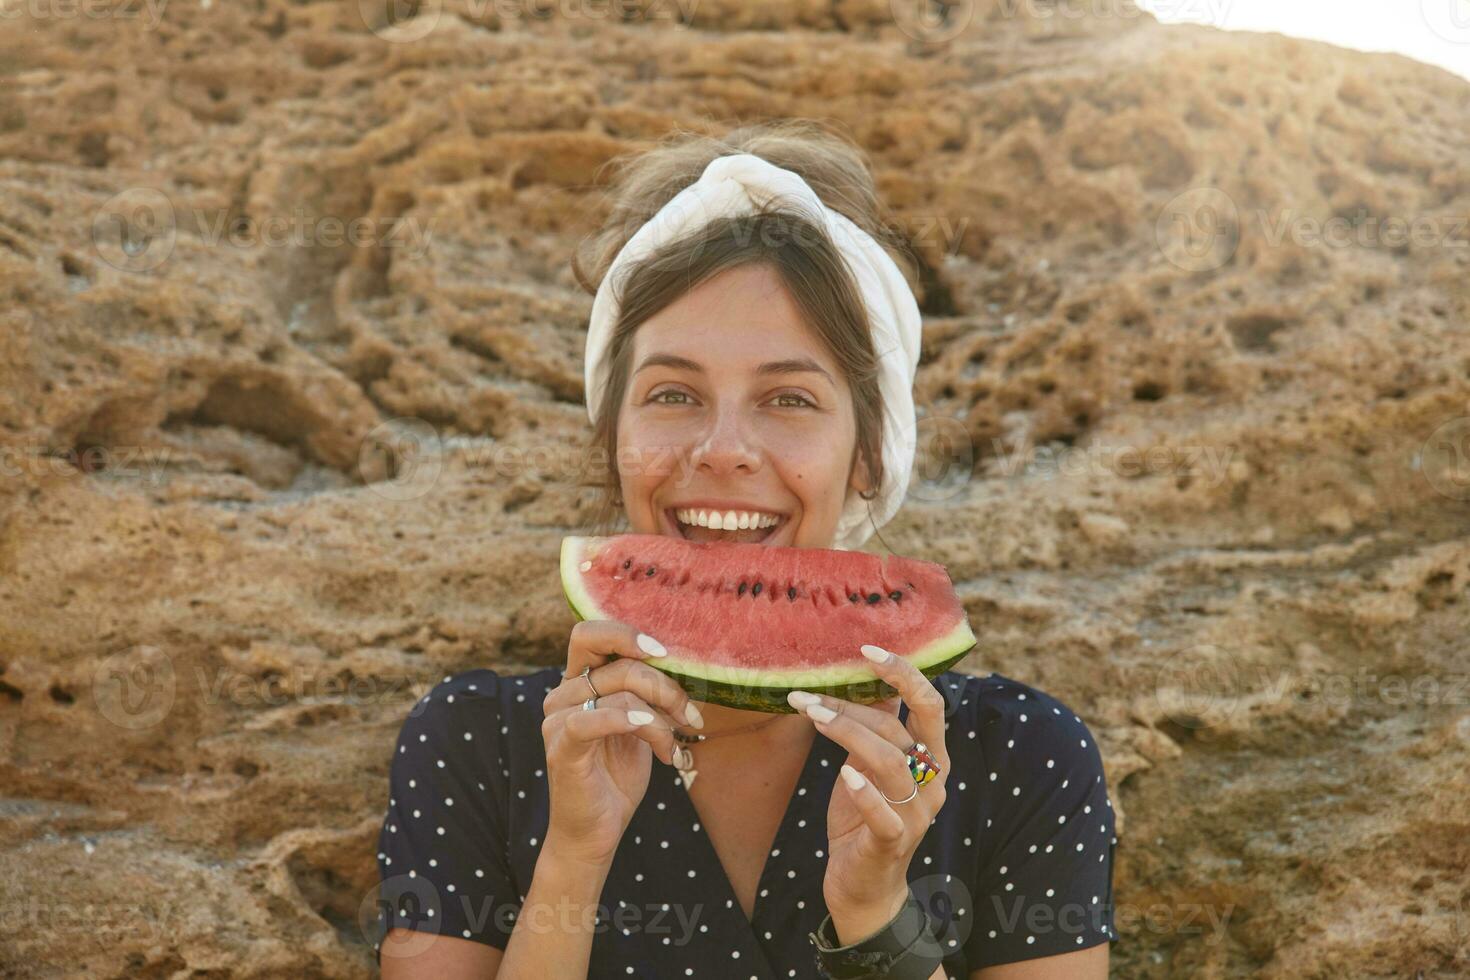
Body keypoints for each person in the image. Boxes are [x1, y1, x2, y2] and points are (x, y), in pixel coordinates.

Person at [372, 120, 1118, 979]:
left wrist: (878, 918)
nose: (722, 448)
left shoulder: (1016, 755)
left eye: (790, 400)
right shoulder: (476, 744)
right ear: (612, 437)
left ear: (870, 456)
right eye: (674, 393)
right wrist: (572, 856)